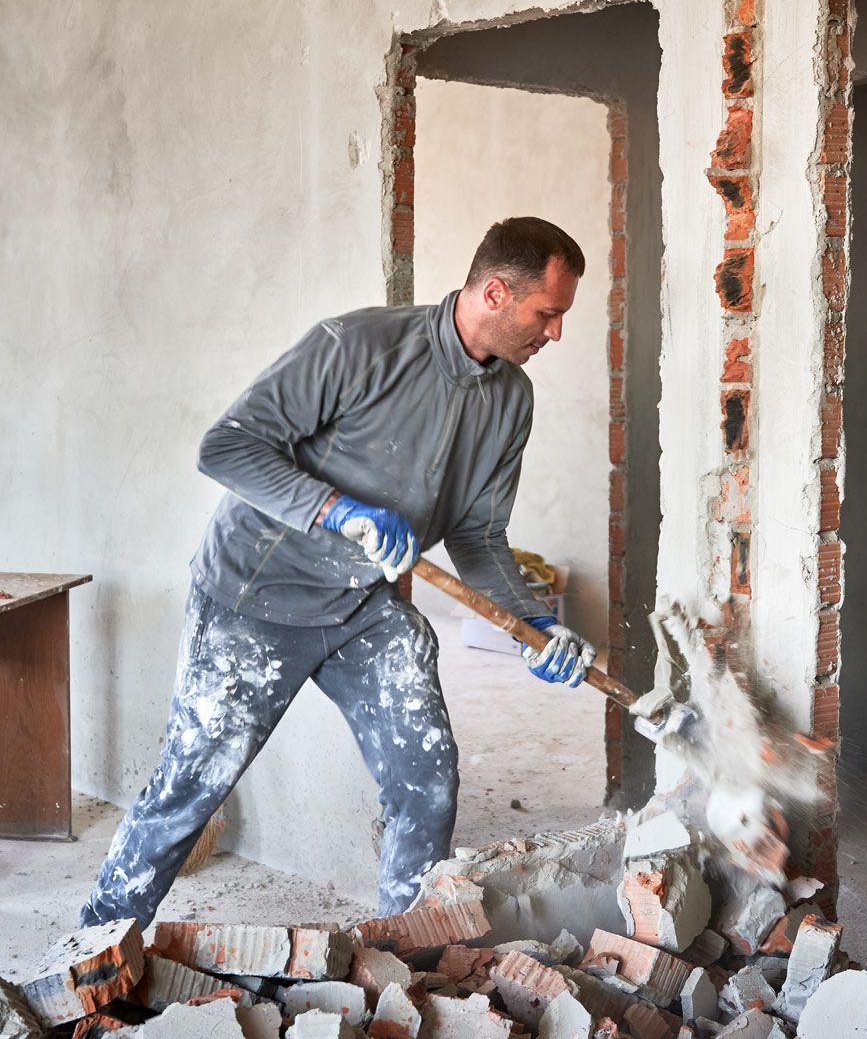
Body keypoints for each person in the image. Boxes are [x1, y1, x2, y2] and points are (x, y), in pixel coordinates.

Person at [80, 216, 597, 929]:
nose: (555, 333)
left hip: (363, 609)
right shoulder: (356, 346)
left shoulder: (511, 400)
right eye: (549, 314)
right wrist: (334, 509)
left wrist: (531, 624)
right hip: (257, 597)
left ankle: (412, 952)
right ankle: (94, 951)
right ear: (498, 294)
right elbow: (225, 448)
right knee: (192, 787)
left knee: (428, 780)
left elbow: (477, 532)